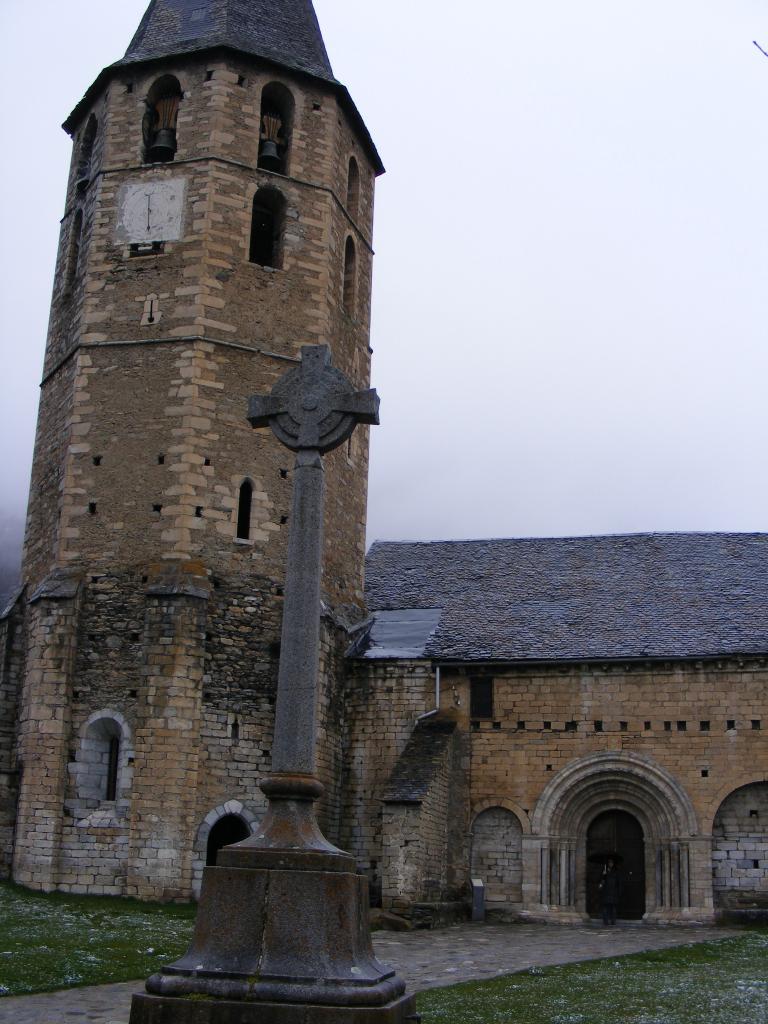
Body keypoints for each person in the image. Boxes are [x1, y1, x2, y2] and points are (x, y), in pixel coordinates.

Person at [599, 858, 621, 926]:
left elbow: (618, 882)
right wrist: (603, 875)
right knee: (605, 907)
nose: (611, 864)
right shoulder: (604, 871)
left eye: (612, 863)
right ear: (607, 863)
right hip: (606, 892)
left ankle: (613, 921)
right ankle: (606, 922)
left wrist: (619, 891)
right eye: (609, 863)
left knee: (613, 908)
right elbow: (601, 880)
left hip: (613, 892)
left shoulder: (616, 871)